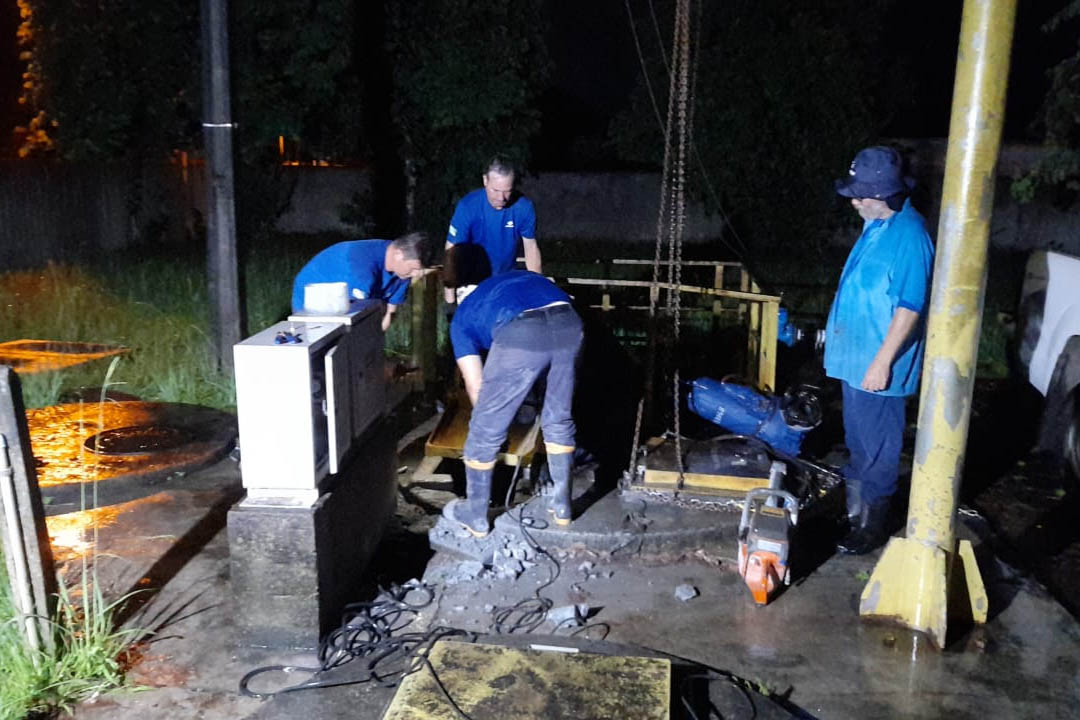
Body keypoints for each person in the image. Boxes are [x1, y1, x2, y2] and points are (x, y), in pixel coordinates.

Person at [825, 146, 934, 555]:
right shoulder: (876, 226)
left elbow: (910, 306)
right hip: (856, 362)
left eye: (861, 194)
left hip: (877, 367)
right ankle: (855, 516)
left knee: (878, 451)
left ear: (887, 195)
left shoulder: (909, 236)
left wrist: (882, 362)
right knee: (859, 442)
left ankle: (872, 529)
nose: (854, 200)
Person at [443, 270, 583, 538]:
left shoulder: (461, 319)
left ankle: (476, 516)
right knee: (558, 417)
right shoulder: (506, 282)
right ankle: (562, 506)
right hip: (569, 322)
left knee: (483, 430)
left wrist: (494, 424)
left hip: (521, 330)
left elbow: (475, 386)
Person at [443, 157, 541, 308]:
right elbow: (452, 251)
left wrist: (538, 288)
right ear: (485, 181)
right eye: (495, 190)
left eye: (507, 191)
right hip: (471, 282)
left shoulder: (524, 208)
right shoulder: (468, 206)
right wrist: (449, 301)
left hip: (504, 279)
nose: (501, 198)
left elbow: (531, 249)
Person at [291, 232, 433, 331]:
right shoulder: (362, 266)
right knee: (324, 353)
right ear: (398, 254)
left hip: (352, 302)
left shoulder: (402, 273)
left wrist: (377, 338)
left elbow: (390, 312)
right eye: (414, 269)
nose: (416, 275)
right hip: (315, 298)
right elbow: (357, 317)